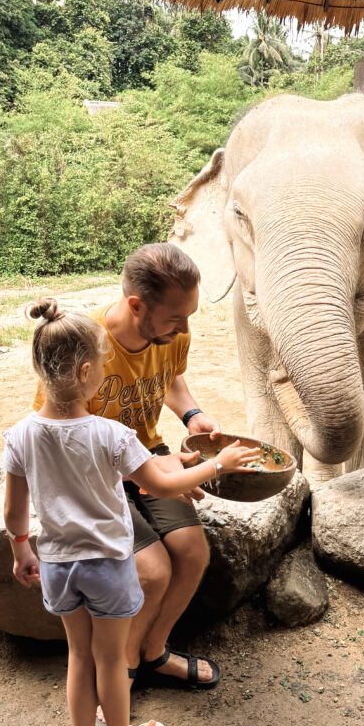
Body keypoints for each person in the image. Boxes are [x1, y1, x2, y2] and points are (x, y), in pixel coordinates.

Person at [5, 298, 258, 726]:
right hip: (108, 567)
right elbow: (161, 486)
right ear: (86, 372)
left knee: (79, 658)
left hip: (57, 566)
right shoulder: (112, 434)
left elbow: (17, 511)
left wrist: (21, 549)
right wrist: (218, 465)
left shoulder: (20, 436)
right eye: (101, 366)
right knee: (110, 659)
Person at [33, 243, 225, 691]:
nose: (184, 328)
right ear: (137, 306)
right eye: (176, 318)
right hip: (91, 476)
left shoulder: (172, 334)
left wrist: (193, 416)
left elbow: (171, 376)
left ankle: (154, 651)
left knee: (193, 552)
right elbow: (58, 444)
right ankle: (122, 671)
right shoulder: (83, 346)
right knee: (153, 570)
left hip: (148, 454)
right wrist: (151, 474)